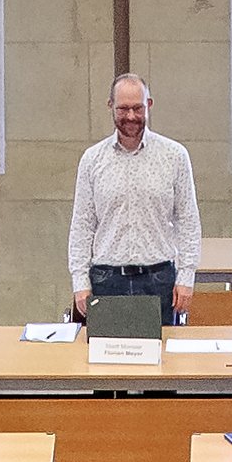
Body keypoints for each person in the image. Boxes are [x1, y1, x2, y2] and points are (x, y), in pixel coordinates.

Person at [64, 73, 198, 321]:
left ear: (149, 104)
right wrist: (80, 281)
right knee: (105, 358)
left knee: (162, 358)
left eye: (137, 108)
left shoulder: (175, 156)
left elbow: (187, 221)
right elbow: (82, 225)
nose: (131, 116)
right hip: (106, 279)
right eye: (123, 108)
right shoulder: (92, 160)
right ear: (110, 106)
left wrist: (186, 276)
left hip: (159, 280)